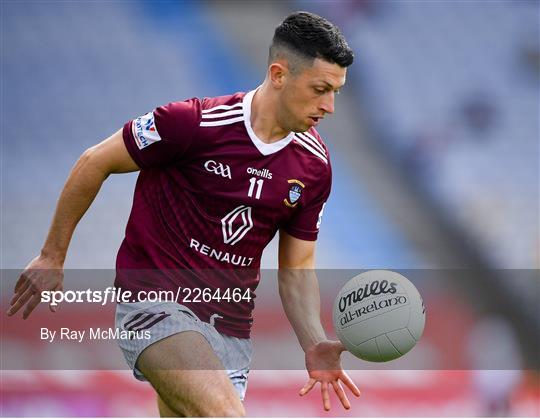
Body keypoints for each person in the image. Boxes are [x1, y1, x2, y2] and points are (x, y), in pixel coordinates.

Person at [7, 11, 360, 416]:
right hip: (156, 304)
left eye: (336, 91)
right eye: (320, 89)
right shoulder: (192, 123)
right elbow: (94, 161)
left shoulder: (314, 166)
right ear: (279, 74)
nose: (329, 106)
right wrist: (53, 254)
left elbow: (296, 271)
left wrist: (314, 343)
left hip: (230, 330)